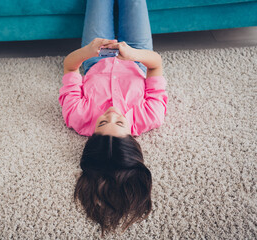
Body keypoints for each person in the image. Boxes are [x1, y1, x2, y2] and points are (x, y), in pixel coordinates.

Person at [58, 0, 168, 236]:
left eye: (102, 122)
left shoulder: (78, 117)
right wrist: (134, 54)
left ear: (92, 134)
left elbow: (69, 68)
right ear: (131, 136)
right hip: (138, 57)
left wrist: (89, 51)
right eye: (119, 123)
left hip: (95, 59)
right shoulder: (150, 117)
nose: (111, 114)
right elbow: (156, 66)